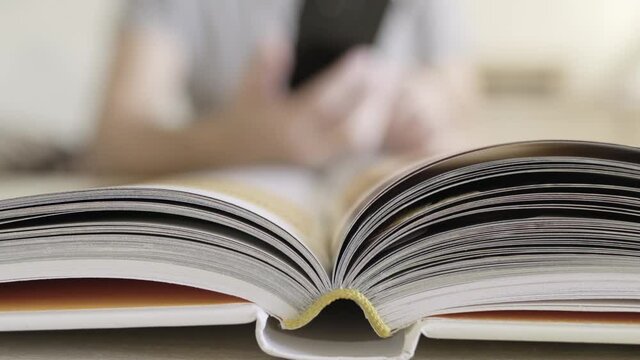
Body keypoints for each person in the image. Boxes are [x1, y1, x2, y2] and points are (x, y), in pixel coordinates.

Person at [88, 0, 474, 175]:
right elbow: (112, 143)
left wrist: (428, 99)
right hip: (243, 205)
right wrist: (236, 141)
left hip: (376, 197)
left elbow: (462, 89)